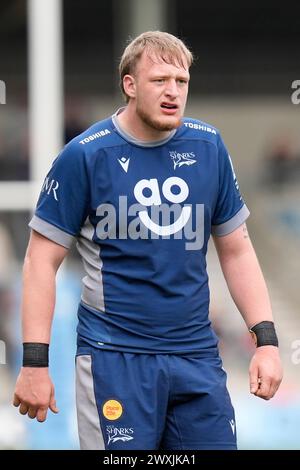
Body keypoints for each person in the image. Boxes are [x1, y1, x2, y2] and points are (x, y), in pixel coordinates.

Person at [13, 31, 283, 450]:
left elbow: (237, 249)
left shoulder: (208, 147)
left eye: (182, 81)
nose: (173, 92)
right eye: (160, 80)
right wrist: (34, 363)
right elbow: (39, 262)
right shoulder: (85, 156)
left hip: (196, 356)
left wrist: (265, 343)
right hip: (113, 359)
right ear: (130, 84)